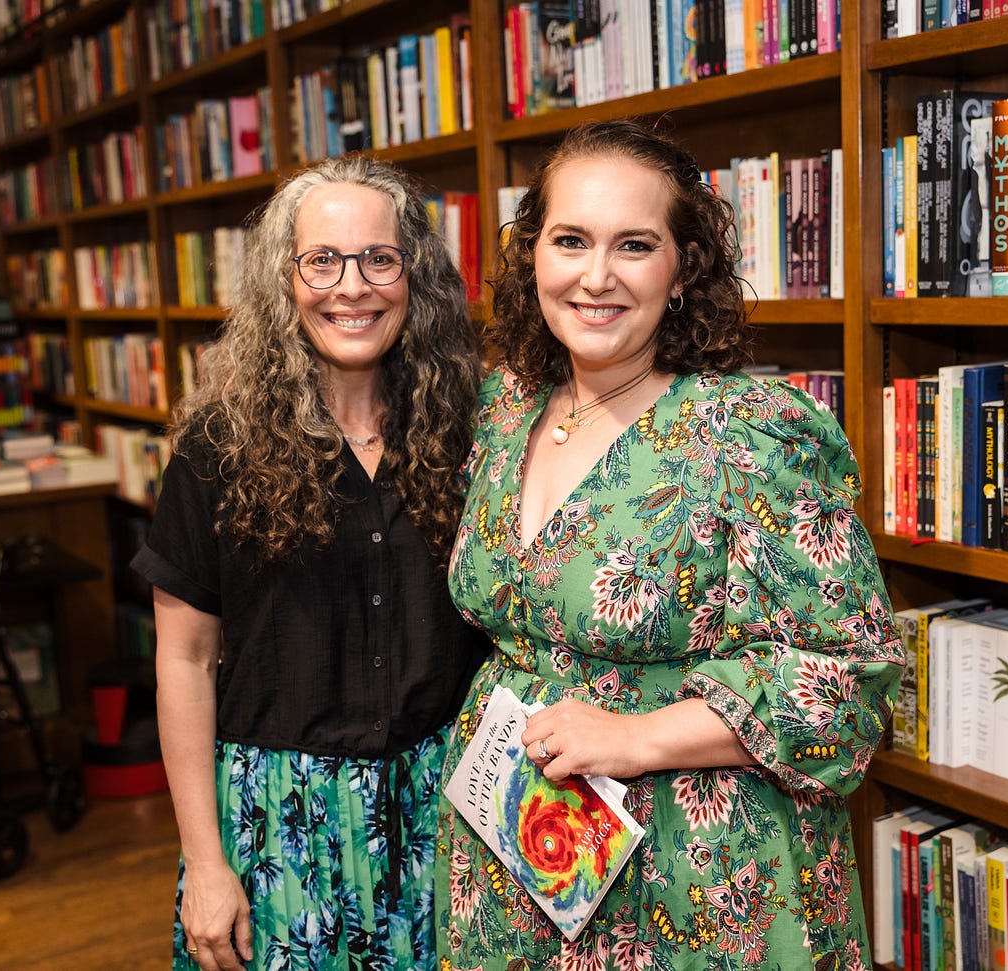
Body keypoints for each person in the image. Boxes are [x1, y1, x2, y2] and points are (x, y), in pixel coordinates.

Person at [436, 120, 903, 969]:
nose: (596, 276)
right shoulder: (504, 409)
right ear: (532, 254)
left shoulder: (749, 433)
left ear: (683, 269)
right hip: (515, 847)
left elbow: (852, 681)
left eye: (635, 245)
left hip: (691, 872)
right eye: (570, 240)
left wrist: (635, 736)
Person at [132, 156, 487, 971]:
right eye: (322, 260)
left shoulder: (472, 429)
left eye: (379, 259)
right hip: (277, 829)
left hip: (443, 813)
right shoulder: (216, 448)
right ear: (283, 280)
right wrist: (206, 862)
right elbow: (183, 660)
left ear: (414, 275)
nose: (351, 287)